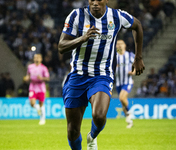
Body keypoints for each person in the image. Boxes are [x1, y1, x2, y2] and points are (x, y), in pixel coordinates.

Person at [58, 0, 145, 149]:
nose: (95, 3)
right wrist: (82, 38)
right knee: (72, 130)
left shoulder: (116, 16)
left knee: (99, 116)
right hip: (77, 75)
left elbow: (137, 26)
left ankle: (92, 137)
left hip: (102, 75)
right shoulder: (76, 16)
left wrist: (138, 57)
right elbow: (61, 46)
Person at [24, 54, 50, 125]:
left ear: (41, 59)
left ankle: (42, 119)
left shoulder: (44, 68)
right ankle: (38, 108)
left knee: (41, 104)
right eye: (35, 57)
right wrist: (27, 78)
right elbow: (28, 75)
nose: (36, 59)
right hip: (32, 87)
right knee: (32, 103)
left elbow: (47, 78)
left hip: (41, 88)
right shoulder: (30, 67)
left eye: (38, 57)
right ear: (33, 59)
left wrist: (42, 78)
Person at [115, 39, 136, 128]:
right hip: (118, 83)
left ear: (125, 46)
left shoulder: (130, 55)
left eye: (121, 44)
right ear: (116, 46)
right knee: (122, 101)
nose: (119, 45)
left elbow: (135, 67)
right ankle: (129, 120)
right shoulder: (114, 57)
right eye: (118, 44)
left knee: (121, 97)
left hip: (127, 82)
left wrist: (133, 72)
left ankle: (129, 113)